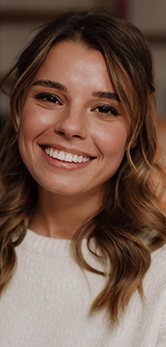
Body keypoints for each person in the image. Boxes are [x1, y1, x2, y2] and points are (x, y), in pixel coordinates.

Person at [0, 8, 166, 347]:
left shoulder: (160, 278)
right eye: (50, 97)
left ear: (133, 132)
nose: (70, 126)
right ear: (19, 108)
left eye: (105, 109)